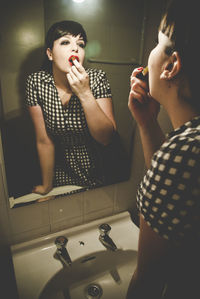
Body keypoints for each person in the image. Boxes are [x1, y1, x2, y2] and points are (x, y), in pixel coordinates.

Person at [127, 0, 200, 298]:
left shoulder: (184, 152)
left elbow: (147, 280)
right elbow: (174, 194)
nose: (151, 55)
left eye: (158, 44)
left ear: (172, 66)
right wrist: (146, 123)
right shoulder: (188, 145)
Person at [25, 20, 118, 196]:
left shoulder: (97, 78)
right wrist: (47, 186)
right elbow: (44, 141)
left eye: (80, 44)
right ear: (50, 53)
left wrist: (85, 93)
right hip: (60, 171)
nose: (75, 49)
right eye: (65, 42)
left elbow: (106, 138)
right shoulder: (37, 82)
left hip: (98, 170)